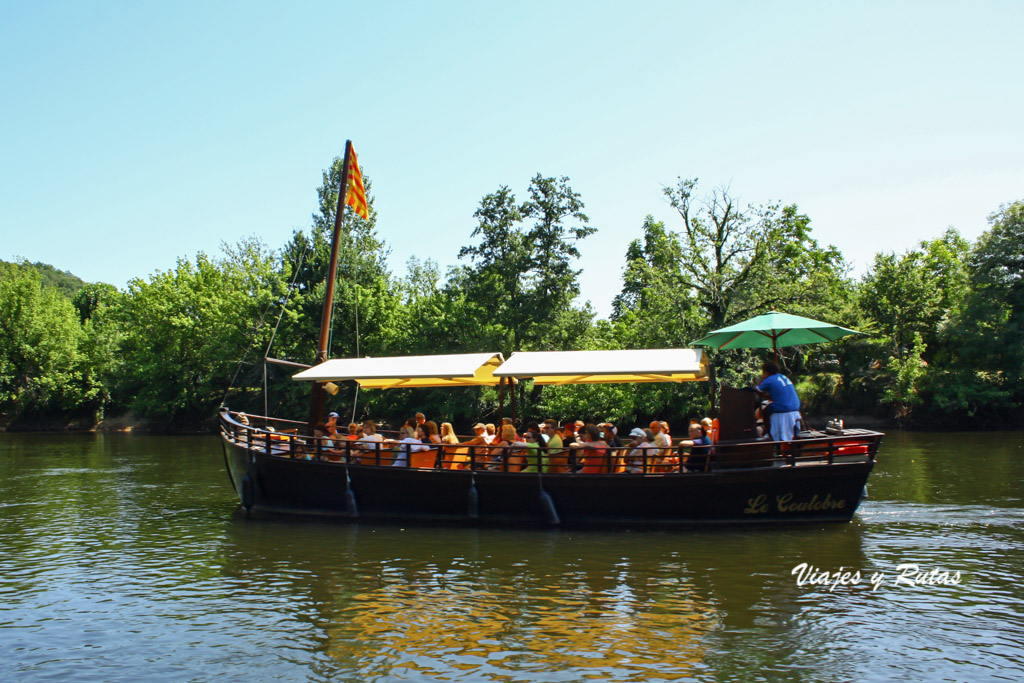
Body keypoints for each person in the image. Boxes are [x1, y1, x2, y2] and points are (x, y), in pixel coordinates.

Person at [756, 360, 801, 441]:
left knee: (765, 412)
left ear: (766, 371)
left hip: (782, 407)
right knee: (769, 408)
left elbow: (757, 389)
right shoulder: (784, 377)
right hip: (795, 406)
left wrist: (763, 378)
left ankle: (770, 434)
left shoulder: (769, 379)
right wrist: (768, 396)